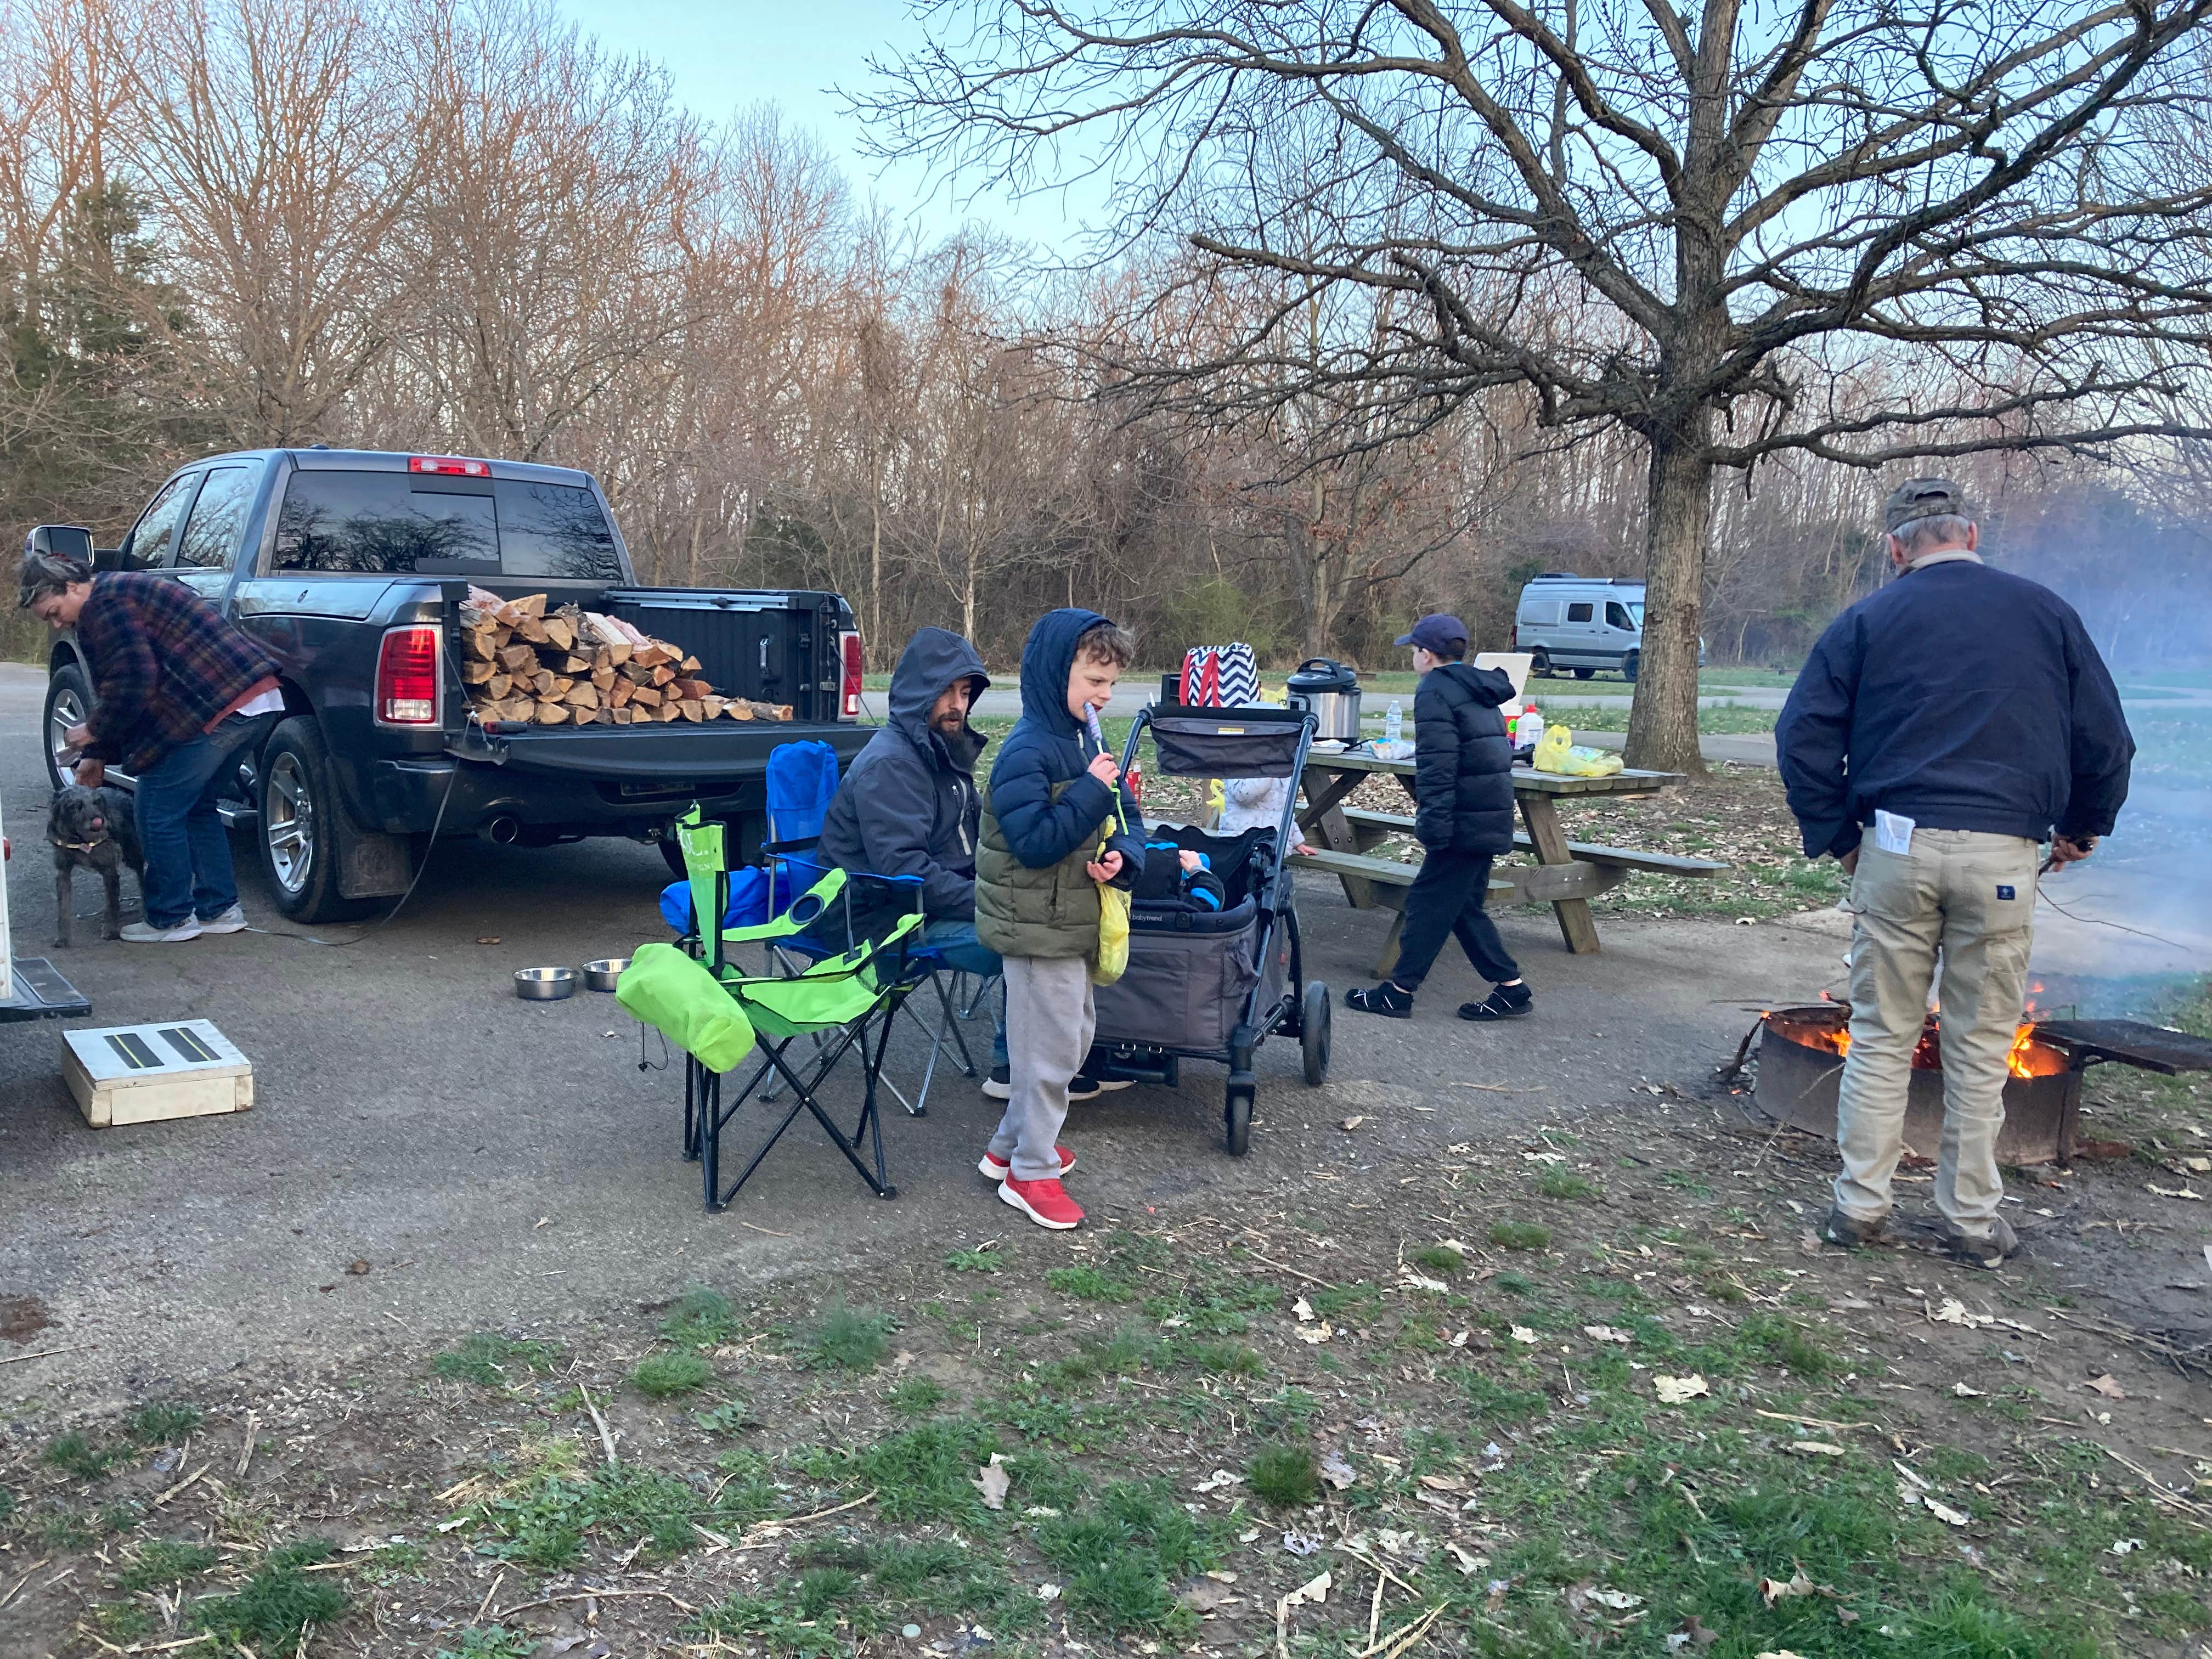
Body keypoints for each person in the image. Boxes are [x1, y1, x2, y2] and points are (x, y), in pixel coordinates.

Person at [1776, 478, 2134, 1270]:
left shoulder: (1868, 618)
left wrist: (1840, 839)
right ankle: (1971, 1219)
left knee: (1878, 1037)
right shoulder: (2047, 614)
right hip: (2003, 855)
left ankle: (1859, 1208)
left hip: (1897, 851)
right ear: (1971, 535)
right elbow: (2105, 741)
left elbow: (1801, 735)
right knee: (1980, 1046)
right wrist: (2082, 827)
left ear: (1897, 549)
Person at [975, 608, 1146, 1229]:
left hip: (1075, 920)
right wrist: (1090, 795)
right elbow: (1034, 842)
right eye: (1092, 681)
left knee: (1070, 1042)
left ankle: (1007, 1148)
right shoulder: (1025, 751)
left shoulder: (1088, 742)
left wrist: (1123, 857)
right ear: (1055, 676)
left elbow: (1126, 819)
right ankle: (1032, 1171)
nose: (1103, 696)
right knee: (1047, 1056)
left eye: (1110, 685)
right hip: (1034, 928)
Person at [20, 548, 284, 943]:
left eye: (55, 611)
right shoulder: (120, 592)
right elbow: (126, 687)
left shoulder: (103, 607)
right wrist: (97, 756)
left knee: (157, 810)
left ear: (72, 586)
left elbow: (134, 682)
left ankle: (171, 917)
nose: (58, 623)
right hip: (254, 700)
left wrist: (92, 730)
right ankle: (219, 909)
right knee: (197, 807)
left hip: (216, 707)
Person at [817, 627, 1009, 1079]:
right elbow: (905, 873)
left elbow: (980, 838)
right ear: (917, 692)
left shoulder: (943, 752)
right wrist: (992, 901)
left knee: (1053, 918)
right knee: (1029, 939)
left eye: (965, 692)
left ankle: (1066, 1060)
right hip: (877, 923)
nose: (958, 704)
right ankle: (1017, 1072)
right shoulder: (891, 765)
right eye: (946, 691)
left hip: (929, 906)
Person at [1344, 614, 1531, 1022]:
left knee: (1428, 902)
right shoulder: (1480, 687)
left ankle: (1398, 992)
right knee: (1462, 905)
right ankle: (1511, 988)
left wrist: (1434, 823)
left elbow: (1439, 767)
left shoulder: (1434, 691)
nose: (1414, 657)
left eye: (1415, 650)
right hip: (1489, 811)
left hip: (1463, 818)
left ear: (1427, 655)